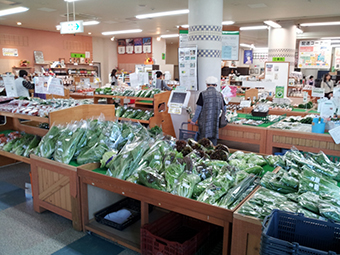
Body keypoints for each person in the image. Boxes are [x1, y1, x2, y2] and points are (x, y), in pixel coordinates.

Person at [190, 76, 225, 145]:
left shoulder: (202, 94)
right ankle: (212, 151)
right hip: (215, 121)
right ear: (216, 85)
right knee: (213, 139)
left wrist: (194, 120)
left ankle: (203, 152)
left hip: (204, 121)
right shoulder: (220, 95)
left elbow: (198, 109)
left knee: (203, 140)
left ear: (206, 85)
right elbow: (224, 108)